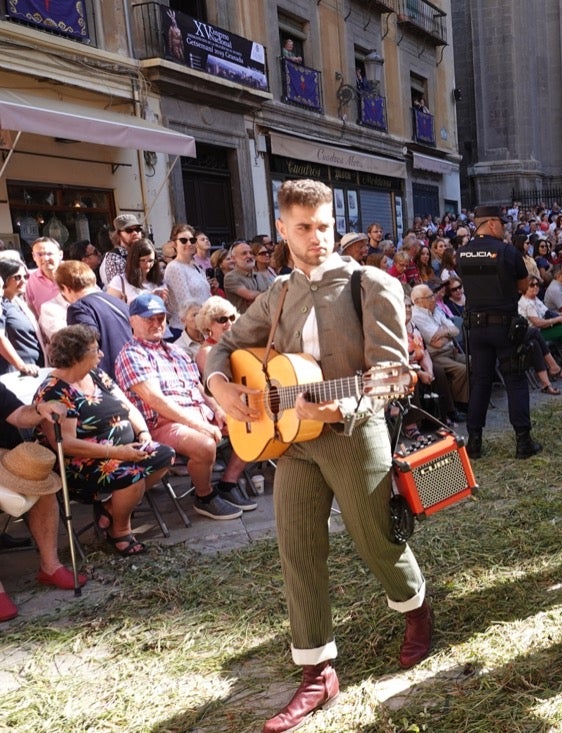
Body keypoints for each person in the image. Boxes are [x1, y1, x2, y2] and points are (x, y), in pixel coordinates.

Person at [205, 179, 432, 733]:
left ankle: (416, 609)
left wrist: (334, 411)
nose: (317, 238)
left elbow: (390, 377)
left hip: (353, 433)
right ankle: (316, 669)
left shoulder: (369, 283)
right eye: (303, 228)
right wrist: (221, 385)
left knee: (377, 538)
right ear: (282, 230)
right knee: (298, 548)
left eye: (324, 226)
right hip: (290, 443)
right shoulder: (277, 291)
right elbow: (227, 346)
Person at [35, 325, 175, 556]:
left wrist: (144, 435)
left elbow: (128, 408)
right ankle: (120, 531)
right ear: (75, 357)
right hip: (81, 463)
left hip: (122, 451)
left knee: (164, 455)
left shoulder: (96, 375)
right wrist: (119, 453)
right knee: (131, 476)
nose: (100, 354)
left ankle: (110, 508)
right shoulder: (54, 392)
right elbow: (66, 445)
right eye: (94, 350)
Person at [115, 293, 251, 522]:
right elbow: (156, 401)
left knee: (252, 423)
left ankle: (228, 483)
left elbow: (198, 387)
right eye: (149, 318)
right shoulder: (131, 355)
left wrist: (218, 409)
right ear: (132, 321)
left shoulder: (175, 351)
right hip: (163, 423)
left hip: (198, 415)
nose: (156, 323)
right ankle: (204, 497)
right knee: (204, 445)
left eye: (160, 318)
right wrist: (199, 425)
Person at [455, 205, 543, 459]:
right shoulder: (507, 251)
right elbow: (523, 285)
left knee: (480, 383)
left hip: (476, 327)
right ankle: (523, 442)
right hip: (504, 325)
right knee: (515, 381)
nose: (505, 228)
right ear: (492, 223)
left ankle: (474, 442)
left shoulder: (462, 253)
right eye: (502, 223)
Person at [0, 398, 84, 622]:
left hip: (5, 458)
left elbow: (18, 414)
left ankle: (50, 566)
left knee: (42, 485)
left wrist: (40, 409)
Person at [55, 261, 132, 381]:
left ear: (65, 288)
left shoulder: (78, 308)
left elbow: (86, 343)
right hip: (130, 370)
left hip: (106, 379)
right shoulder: (117, 301)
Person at [409, 283, 469, 413]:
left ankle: (474, 398)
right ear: (420, 301)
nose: (434, 298)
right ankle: (461, 404)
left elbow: (455, 330)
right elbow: (437, 343)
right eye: (430, 296)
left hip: (451, 350)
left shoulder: (436, 310)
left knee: (475, 362)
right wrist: (447, 332)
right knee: (462, 370)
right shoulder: (417, 316)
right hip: (437, 355)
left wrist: (442, 333)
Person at [517, 278, 562, 378]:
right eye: (532, 285)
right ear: (524, 287)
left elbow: (547, 313)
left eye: (537, 284)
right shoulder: (526, 303)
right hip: (537, 334)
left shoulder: (535, 299)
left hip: (547, 328)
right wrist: (558, 319)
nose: (536, 287)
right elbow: (538, 323)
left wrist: (560, 315)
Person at [163, 224, 212, 336]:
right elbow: (186, 304)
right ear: (174, 244)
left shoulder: (196, 267)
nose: (189, 244)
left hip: (203, 328)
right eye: (183, 240)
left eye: (192, 240)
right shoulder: (174, 267)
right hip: (184, 330)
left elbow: (208, 296)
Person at [0, 259, 44, 377]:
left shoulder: (19, 302)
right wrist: (21, 366)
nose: (24, 281)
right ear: (4, 279)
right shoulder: (2, 305)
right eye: (17, 277)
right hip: (16, 373)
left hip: (35, 368)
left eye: (26, 276)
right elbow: (0, 338)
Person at [106, 239, 167, 304]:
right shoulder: (119, 281)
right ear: (134, 260)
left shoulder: (160, 280)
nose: (147, 264)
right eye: (143, 260)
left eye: (150, 261)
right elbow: (111, 310)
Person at [223, 241, 270, 313]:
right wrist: (268, 295)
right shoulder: (230, 277)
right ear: (233, 258)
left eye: (251, 253)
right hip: (244, 321)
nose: (249, 256)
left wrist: (259, 297)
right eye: (244, 253)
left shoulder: (260, 275)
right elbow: (250, 295)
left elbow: (273, 294)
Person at [101, 214, 146, 289]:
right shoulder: (113, 258)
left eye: (138, 229)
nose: (135, 233)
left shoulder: (143, 253)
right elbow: (119, 289)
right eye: (129, 230)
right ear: (118, 234)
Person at [25, 237, 62, 319]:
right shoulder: (30, 280)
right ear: (34, 257)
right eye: (39, 254)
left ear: (60, 255)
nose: (45, 259)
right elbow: (31, 309)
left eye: (49, 254)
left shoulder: (74, 272)